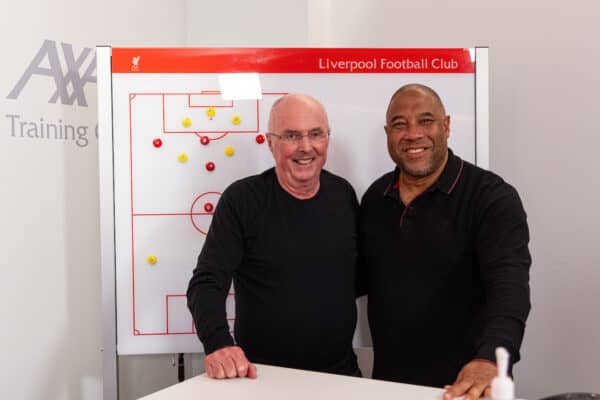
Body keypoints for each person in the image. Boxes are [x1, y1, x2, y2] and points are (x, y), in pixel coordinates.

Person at [360, 84, 531, 399]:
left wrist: (491, 357)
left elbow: (510, 288)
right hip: (388, 385)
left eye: (426, 121)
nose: (413, 134)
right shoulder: (376, 197)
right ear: (388, 132)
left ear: (447, 126)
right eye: (400, 124)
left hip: (466, 386)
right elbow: (354, 279)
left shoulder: (491, 197)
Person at [187, 94, 361, 380]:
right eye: (292, 135)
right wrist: (218, 344)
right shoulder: (242, 200)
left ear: (327, 138)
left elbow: (352, 278)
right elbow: (206, 283)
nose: (306, 147)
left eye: (315, 134)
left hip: (340, 375)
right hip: (262, 378)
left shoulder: (343, 194)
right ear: (270, 142)